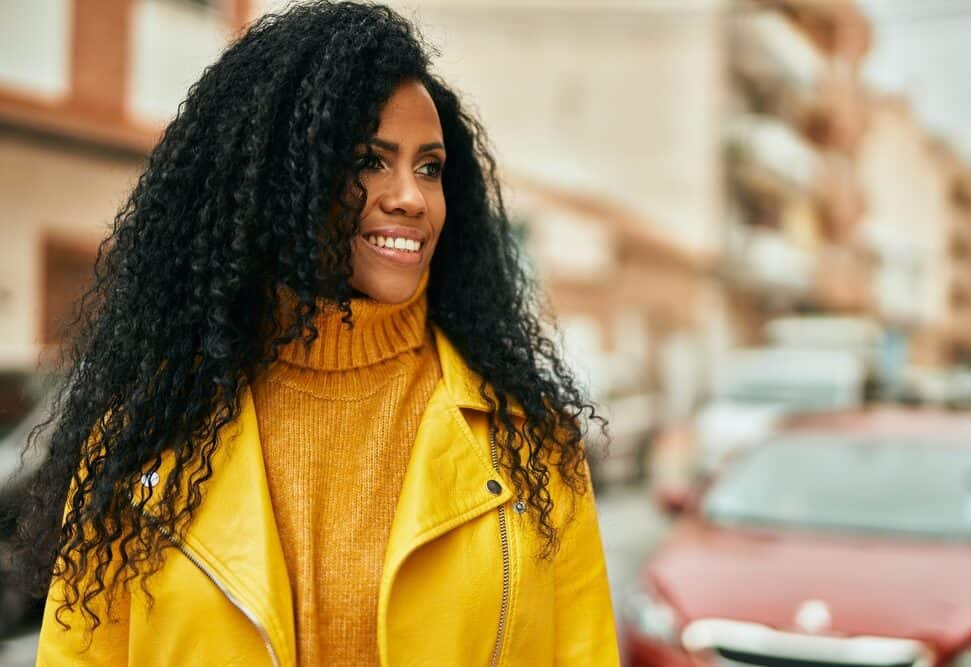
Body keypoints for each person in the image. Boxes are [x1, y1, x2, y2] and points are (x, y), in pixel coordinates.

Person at [17, 2, 619, 665]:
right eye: (369, 160)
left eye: (429, 167)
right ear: (284, 179)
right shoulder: (143, 442)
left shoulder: (530, 440)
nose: (411, 197)